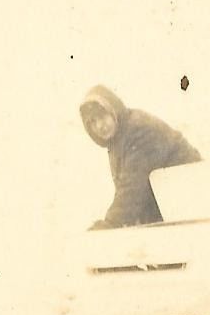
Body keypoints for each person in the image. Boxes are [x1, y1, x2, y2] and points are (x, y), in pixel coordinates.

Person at [80, 85, 202, 229]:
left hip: (193, 201)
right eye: (93, 122)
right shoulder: (117, 138)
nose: (100, 125)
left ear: (113, 110)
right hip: (170, 207)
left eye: (102, 116)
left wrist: (111, 223)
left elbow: (133, 187)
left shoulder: (138, 130)